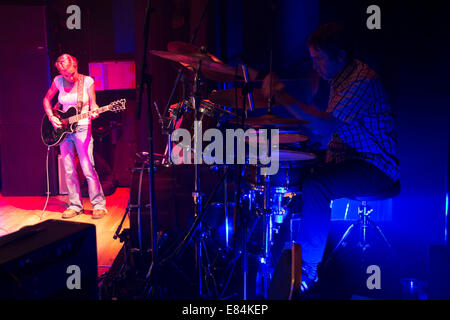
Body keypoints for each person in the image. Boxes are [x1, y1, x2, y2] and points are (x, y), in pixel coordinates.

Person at [263, 23, 400, 293]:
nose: (315, 66)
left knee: (317, 187)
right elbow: (334, 130)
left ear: (341, 56)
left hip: (375, 165)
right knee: (299, 170)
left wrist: (282, 97)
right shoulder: (339, 78)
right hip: (351, 157)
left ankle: (307, 271)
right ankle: (279, 257)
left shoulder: (362, 81)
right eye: (312, 59)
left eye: (319, 59)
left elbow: (327, 124)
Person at [43, 54, 107, 219]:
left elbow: (93, 103)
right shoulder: (58, 81)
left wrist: (95, 110)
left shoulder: (87, 81)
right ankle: (75, 205)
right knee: (69, 169)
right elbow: (46, 99)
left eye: (72, 73)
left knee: (87, 167)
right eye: (66, 75)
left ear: (76, 65)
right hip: (64, 129)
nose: (70, 77)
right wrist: (51, 116)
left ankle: (99, 205)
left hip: (82, 127)